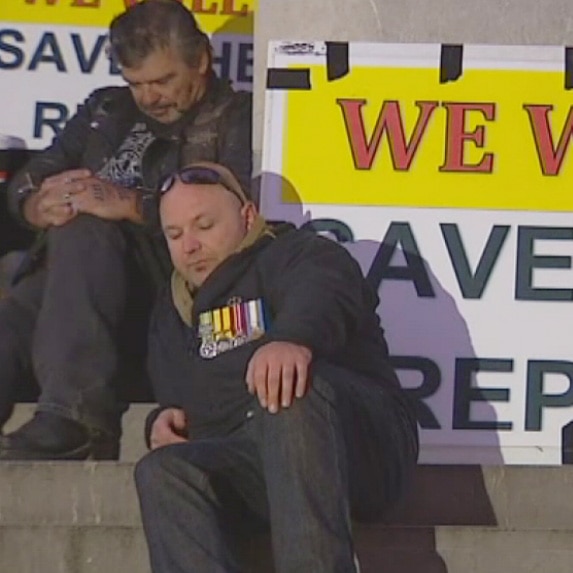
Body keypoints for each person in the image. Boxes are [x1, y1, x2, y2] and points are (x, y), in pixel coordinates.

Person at [135, 162, 419, 572]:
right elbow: (176, 393)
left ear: (248, 216)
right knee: (162, 472)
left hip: (356, 446)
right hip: (255, 460)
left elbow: (323, 294)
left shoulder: (298, 253)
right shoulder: (172, 307)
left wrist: (293, 338)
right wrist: (163, 420)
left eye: (204, 225)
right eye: (175, 235)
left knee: (288, 390)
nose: (190, 246)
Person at [0, 0, 252, 460]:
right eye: (136, 83)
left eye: (162, 81)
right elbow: (36, 172)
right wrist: (37, 203)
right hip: (75, 290)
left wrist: (132, 204)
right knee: (13, 317)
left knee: (86, 228)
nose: (149, 97)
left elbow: (234, 211)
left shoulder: (239, 118)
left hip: (168, 290)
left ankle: (78, 418)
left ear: (200, 60)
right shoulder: (106, 109)